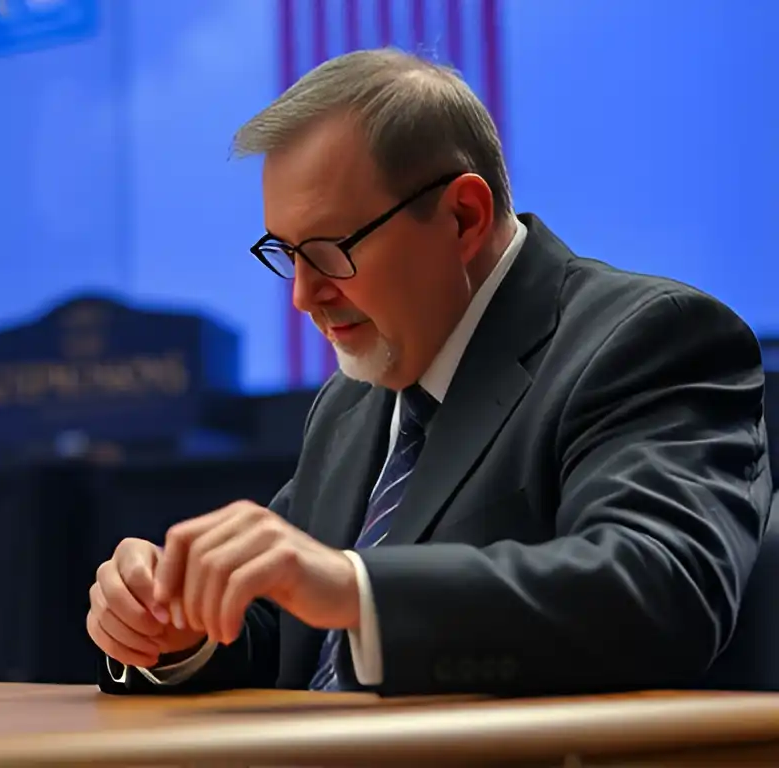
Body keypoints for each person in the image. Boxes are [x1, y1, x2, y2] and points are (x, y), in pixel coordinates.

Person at [88, 48, 771, 697]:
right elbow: (296, 629)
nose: (302, 295)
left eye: (328, 249)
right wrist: (176, 629)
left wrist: (354, 589)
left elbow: (659, 589)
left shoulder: (647, 340)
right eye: (286, 252)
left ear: (463, 217)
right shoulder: (352, 399)